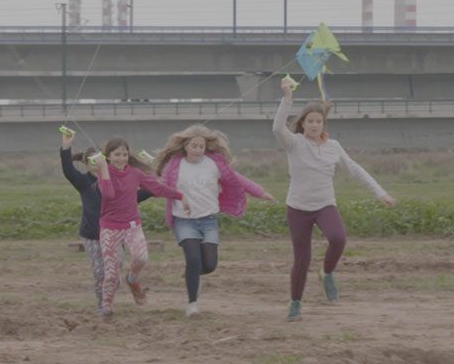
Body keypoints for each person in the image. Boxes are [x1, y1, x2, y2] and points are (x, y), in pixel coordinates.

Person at [273, 77, 396, 322]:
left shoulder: (334, 146)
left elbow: (356, 170)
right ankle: (295, 303)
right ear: (303, 123)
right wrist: (287, 98)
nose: (314, 125)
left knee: (338, 238)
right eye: (310, 121)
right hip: (298, 208)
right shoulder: (294, 143)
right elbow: (277, 128)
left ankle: (327, 273)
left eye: (318, 121)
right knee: (302, 260)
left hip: (325, 205)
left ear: (323, 123)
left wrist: (380, 192)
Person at [156, 124, 275, 317]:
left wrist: (260, 192)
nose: (197, 150)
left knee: (210, 264)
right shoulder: (174, 166)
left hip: (209, 220)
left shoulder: (214, 164)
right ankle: (192, 305)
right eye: (194, 146)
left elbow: (238, 179)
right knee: (193, 259)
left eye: (201, 146)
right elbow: (158, 185)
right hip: (184, 221)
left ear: (206, 147)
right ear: (185, 146)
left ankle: (193, 274)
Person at [59, 130, 153, 313]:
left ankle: (115, 291)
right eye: (92, 161)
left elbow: (140, 195)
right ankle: (103, 305)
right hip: (92, 235)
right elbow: (68, 170)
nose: (97, 164)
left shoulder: (117, 180)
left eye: (99, 159)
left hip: (114, 233)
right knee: (100, 273)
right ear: (87, 164)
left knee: (115, 271)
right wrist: (66, 146)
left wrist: (151, 178)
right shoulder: (84, 182)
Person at [94, 136, 188, 319]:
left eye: (124, 154)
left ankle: (132, 279)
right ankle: (107, 305)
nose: (121, 158)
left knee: (141, 257)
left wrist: (180, 195)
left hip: (132, 226)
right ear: (108, 156)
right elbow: (108, 194)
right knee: (111, 273)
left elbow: (157, 188)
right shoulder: (103, 173)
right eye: (117, 155)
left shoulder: (135, 173)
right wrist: (104, 169)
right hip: (109, 228)